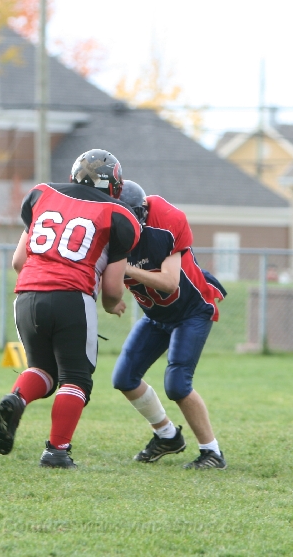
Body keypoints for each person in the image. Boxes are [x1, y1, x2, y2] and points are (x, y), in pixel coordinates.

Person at [0, 149, 140, 469]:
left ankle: (17, 398)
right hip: (72, 296)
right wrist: (113, 306)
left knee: (42, 369)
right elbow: (112, 289)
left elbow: (18, 261)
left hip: (27, 294)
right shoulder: (119, 214)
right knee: (76, 379)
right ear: (114, 184)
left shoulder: (42, 194)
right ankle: (57, 451)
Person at [111, 181, 228, 469]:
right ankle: (167, 436)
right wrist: (110, 300)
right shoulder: (106, 236)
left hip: (191, 311)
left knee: (177, 385)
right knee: (124, 378)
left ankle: (212, 452)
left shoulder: (165, 221)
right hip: (156, 315)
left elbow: (169, 282)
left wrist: (125, 269)